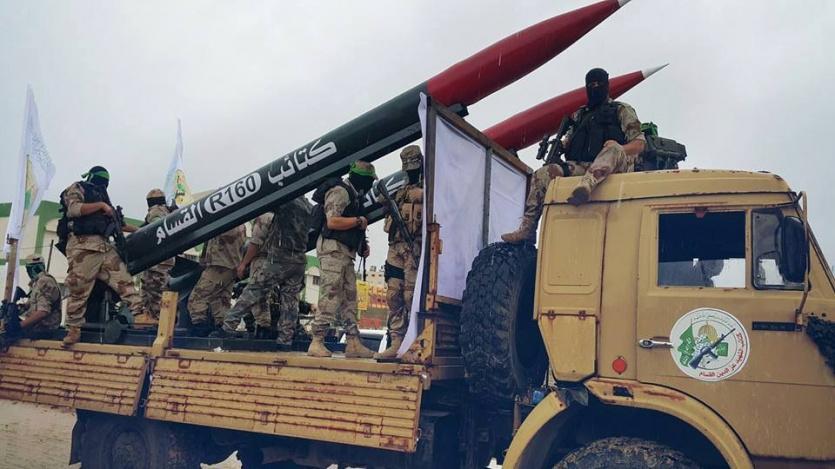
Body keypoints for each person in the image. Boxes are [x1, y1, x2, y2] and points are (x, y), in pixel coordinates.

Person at [502, 68, 646, 243]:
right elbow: (569, 140)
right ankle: (527, 228)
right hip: (583, 166)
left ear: (607, 86)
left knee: (613, 148)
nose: (595, 88)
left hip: (615, 166)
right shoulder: (580, 115)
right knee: (543, 174)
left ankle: (587, 185)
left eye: (599, 84)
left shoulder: (621, 110)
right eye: (591, 85)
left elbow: (639, 144)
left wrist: (620, 147)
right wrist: (560, 147)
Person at [61, 166, 145, 346]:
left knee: (125, 282)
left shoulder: (103, 197)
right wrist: (101, 206)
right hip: (83, 247)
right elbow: (74, 209)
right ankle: (74, 329)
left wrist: (141, 230)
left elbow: (119, 225)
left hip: (104, 246)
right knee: (79, 290)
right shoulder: (78, 188)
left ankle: (140, 317)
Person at [216, 197, 312, 350]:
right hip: (299, 259)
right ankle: (285, 340)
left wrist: (244, 263)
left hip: (279, 258)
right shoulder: (307, 206)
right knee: (290, 302)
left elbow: (257, 240)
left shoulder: (285, 201)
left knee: (253, 291)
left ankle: (228, 326)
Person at [307, 161, 377, 358]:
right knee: (330, 294)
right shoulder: (340, 192)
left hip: (345, 253)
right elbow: (333, 221)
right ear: (362, 179)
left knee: (349, 298)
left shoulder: (353, 196)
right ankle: (317, 341)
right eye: (369, 181)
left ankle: (353, 342)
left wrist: (361, 244)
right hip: (332, 251)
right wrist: (358, 221)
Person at [374, 146, 423, 359]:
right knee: (393, 296)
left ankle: (413, 342)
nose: (411, 172)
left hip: (415, 248)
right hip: (395, 248)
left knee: (412, 297)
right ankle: (396, 342)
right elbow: (382, 206)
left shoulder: (429, 192)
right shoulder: (399, 192)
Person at [187, 224, 246, 336]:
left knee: (197, 298)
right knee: (221, 300)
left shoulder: (225, 222)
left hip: (219, 265)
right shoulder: (239, 223)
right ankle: (222, 327)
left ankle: (200, 327)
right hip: (230, 267)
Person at [139, 189, 175, 321]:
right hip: (166, 259)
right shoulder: (169, 212)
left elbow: (155, 229)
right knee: (158, 292)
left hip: (157, 261)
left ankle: (158, 323)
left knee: (154, 294)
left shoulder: (155, 211)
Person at [17, 255, 62, 337]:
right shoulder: (37, 282)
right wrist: (20, 307)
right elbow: (34, 303)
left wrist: (19, 326)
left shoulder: (44, 281)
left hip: (44, 329)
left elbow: (42, 312)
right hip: (38, 327)